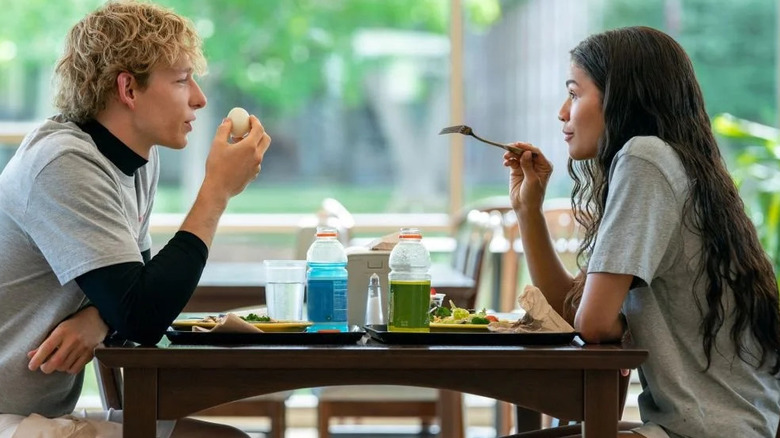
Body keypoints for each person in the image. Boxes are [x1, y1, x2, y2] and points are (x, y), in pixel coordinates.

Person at [0, 1, 271, 437]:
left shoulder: (137, 159)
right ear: (128, 89)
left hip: (40, 416)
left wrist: (99, 318)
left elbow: (135, 290)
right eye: (182, 80)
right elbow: (144, 316)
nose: (199, 98)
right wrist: (216, 191)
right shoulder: (63, 165)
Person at [503, 26, 780, 438]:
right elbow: (572, 314)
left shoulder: (645, 159)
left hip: (711, 429)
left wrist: (618, 322)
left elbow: (591, 324)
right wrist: (529, 211)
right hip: (715, 423)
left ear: (618, 98)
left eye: (575, 93)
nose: (563, 111)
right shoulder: (668, 161)